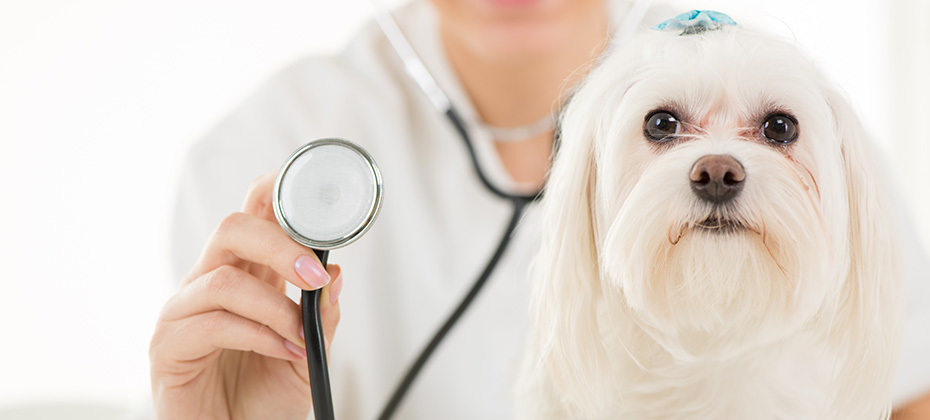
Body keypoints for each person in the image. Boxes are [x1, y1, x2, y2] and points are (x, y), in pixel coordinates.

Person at [148, 1, 930, 419]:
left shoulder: (774, 73)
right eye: (662, 128)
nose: (719, 165)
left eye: (776, 132)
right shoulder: (263, 146)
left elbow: (908, 388)